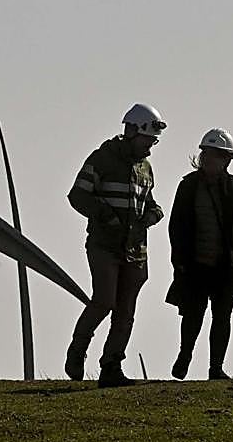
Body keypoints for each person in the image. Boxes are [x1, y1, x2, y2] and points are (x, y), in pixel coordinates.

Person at [65, 103, 167, 387]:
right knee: (104, 301)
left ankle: (112, 366)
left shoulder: (146, 168)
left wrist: (154, 215)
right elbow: (77, 196)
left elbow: (151, 203)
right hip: (104, 246)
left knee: (126, 312)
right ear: (133, 132)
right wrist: (104, 213)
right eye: (148, 140)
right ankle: (78, 348)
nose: (150, 147)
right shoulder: (101, 159)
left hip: (136, 251)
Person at [166, 128, 233, 380]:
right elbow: (176, 227)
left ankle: (215, 369)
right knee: (193, 313)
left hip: (228, 267)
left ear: (227, 160)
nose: (209, 159)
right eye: (206, 153)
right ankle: (184, 356)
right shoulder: (187, 186)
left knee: (222, 316)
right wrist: (179, 263)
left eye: (216, 155)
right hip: (195, 266)